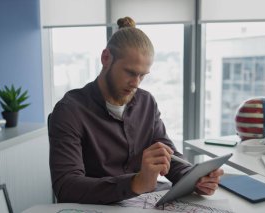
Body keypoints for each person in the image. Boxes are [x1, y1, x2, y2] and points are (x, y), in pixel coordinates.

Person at [48, 16, 224, 204]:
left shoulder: (146, 102)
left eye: (142, 75)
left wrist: (194, 178)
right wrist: (135, 183)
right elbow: (66, 187)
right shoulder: (69, 111)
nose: (136, 83)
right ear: (106, 58)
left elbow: (167, 155)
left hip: (144, 202)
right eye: (130, 73)